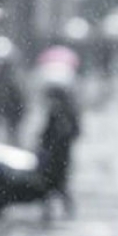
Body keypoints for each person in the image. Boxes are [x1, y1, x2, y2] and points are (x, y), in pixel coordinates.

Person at [38, 86, 81, 220]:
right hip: (52, 155)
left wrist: (64, 135)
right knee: (50, 184)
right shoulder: (53, 113)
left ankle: (68, 210)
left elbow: (75, 132)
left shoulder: (67, 113)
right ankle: (49, 211)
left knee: (59, 184)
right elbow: (46, 133)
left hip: (61, 155)